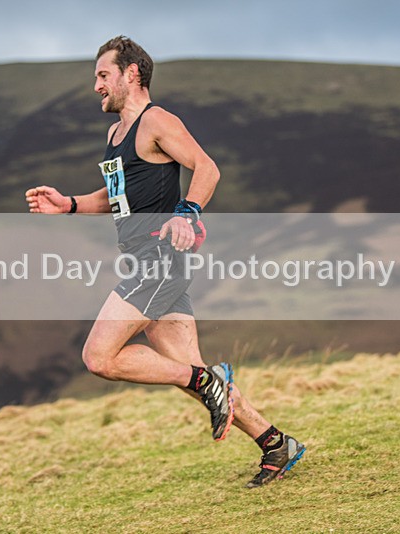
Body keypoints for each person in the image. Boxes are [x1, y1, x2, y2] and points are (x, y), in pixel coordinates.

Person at [25, 36, 305, 488]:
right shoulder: (116, 134)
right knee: (188, 370)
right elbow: (118, 198)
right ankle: (275, 443)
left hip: (158, 261)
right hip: (141, 260)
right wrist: (70, 204)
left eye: (102, 75)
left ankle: (206, 380)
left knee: (99, 357)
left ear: (130, 73)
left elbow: (206, 168)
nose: (96, 85)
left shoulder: (156, 120)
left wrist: (187, 213)